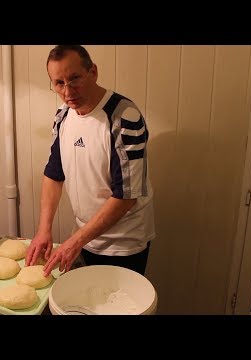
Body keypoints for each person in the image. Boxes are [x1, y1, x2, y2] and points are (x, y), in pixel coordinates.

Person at [25, 45, 155, 277]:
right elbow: (54, 175)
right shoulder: (63, 115)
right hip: (84, 237)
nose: (67, 91)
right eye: (59, 83)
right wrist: (44, 229)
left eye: (74, 79)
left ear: (93, 72)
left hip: (123, 245)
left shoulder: (124, 117)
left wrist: (75, 241)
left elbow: (126, 197)